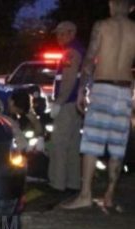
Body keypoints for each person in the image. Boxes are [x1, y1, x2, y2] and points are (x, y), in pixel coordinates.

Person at [62, 0, 135, 211]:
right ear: (132, 8)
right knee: (117, 147)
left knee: (92, 145)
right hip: (124, 91)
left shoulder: (102, 26)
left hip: (103, 88)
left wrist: (81, 90)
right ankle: (109, 195)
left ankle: (86, 195)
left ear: (111, 4)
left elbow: (89, 60)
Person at [48, 21, 85, 192]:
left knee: (59, 144)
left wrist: (58, 103)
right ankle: (73, 183)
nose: (58, 37)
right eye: (57, 34)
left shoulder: (70, 53)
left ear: (71, 33)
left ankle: (57, 183)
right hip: (75, 104)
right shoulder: (77, 50)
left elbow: (68, 81)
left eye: (62, 33)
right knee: (72, 145)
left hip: (68, 104)